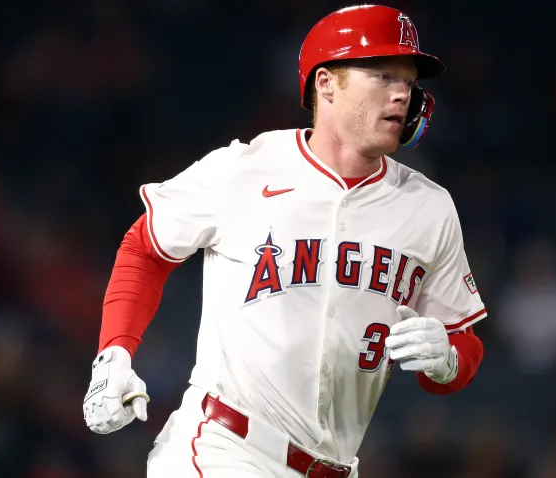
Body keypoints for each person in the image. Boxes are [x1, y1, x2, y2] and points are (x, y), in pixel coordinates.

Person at [82, 5, 488, 477]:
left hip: (336, 467)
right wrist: (114, 351)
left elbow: (463, 344)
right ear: (326, 83)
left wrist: (447, 360)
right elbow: (144, 248)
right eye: (382, 75)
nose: (402, 93)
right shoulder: (246, 169)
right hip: (223, 449)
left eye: (409, 81)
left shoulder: (429, 208)